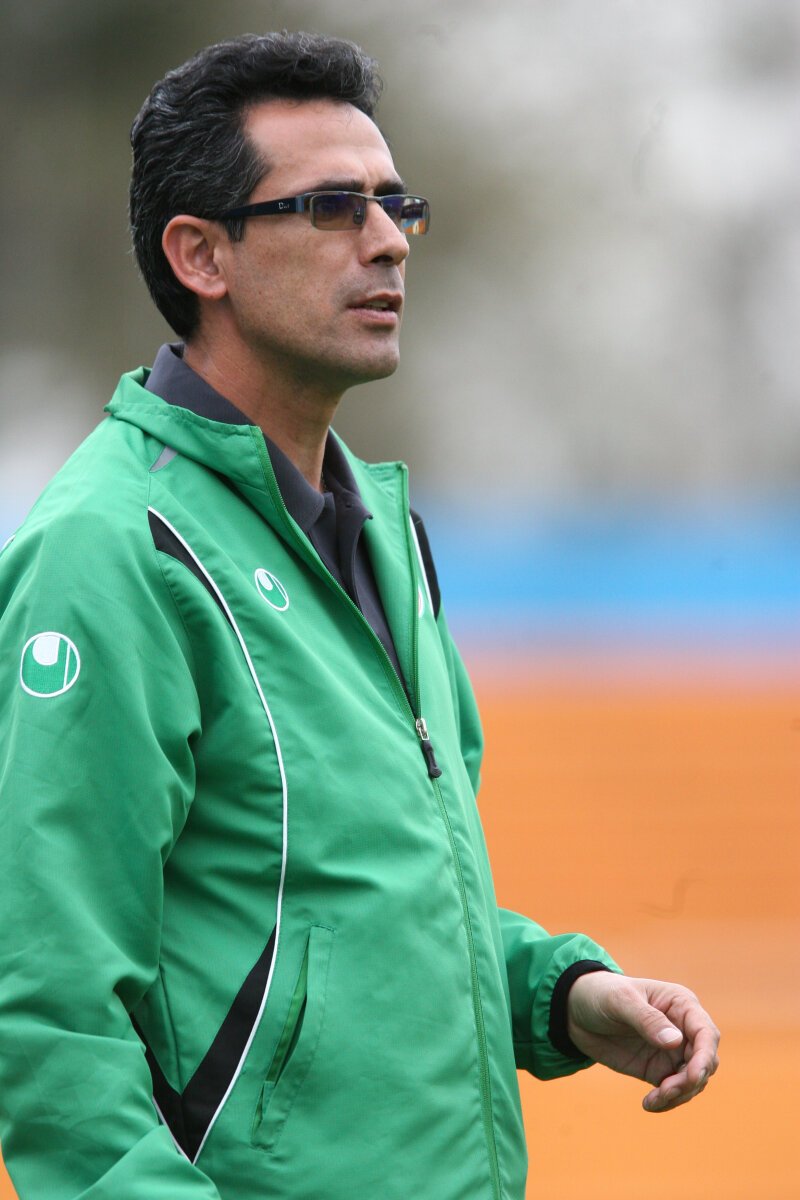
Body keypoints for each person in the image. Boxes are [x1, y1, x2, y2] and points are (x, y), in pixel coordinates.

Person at [0, 31, 719, 1200]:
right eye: (332, 207)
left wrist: (555, 994)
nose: (386, 240)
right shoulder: (114, 547)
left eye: (395, 205)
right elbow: (47, 1011)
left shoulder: (381, 532)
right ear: (200, 255)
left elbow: (366, 910)